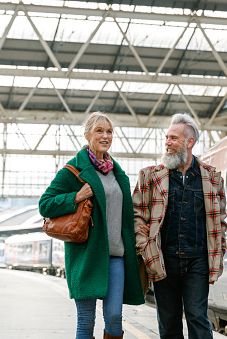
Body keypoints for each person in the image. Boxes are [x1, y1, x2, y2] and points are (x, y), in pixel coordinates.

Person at [39, 112, 145, 339]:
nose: (105, 136)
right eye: (99, 131)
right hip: (86, 257)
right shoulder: (73, 170)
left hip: (116, 256)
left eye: (109, 132)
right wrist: (75, 197)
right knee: (86, 320)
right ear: (87, 135)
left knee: (115, 317)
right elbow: (45, 205)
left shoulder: (117, 173)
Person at [133, 113, 227, 339]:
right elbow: (136, 214)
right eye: (167, 137)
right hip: (163, 261)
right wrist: (144, 242)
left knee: (197, 317)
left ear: (189, 142)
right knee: (169, 323)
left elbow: (220, 220)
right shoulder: (150, 177)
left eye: (173, 138)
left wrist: (219, 251)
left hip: (198, 261)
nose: (167, 142)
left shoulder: (212, 178)